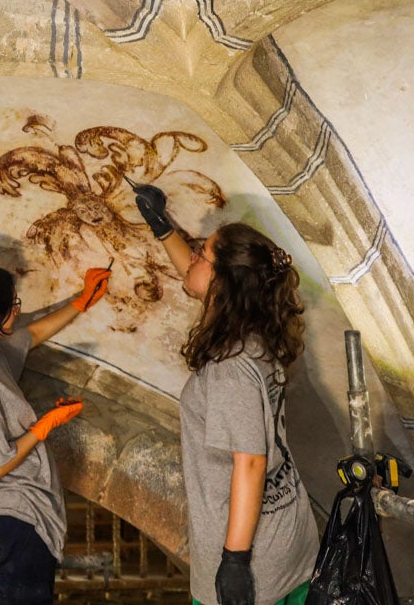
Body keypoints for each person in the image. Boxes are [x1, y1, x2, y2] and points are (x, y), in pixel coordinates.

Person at [132, 181, 318, 605]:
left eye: (201, 253)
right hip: (288, 538)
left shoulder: (229, 367)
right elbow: (197, 275)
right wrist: (161, 226)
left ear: (223, 282)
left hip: (255, 563)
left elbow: (250, 463)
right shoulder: (255, 336)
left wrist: (234, 561)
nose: (192, 257)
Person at [0, 262, 111, 604]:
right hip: (7, 520)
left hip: (9, 515)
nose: (17, 311)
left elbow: (33, 335)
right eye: (13, 305)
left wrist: (81, 301)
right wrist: (46, 424)